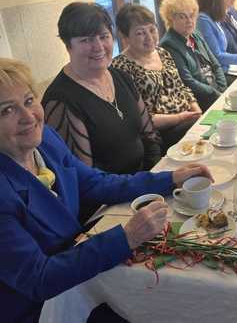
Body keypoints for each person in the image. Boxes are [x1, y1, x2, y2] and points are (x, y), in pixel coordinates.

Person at [0, 57, 214, 322]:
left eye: (29, 100)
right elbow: (39, 278)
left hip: (80, 273)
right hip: (44, 308)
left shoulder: (46, 143)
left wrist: (171, 179)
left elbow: (95, 183)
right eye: (6, 111)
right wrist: (127, 237)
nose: (27, 116)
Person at [43, 2, 162, 175]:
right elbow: (85, 178)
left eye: (104, 36)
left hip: (144, 179)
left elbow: (150, 137)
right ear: (68, 46)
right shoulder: (61, 100)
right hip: (110, 197)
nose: (98, 47)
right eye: (86, 40)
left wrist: (153, 175)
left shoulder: (121, 77)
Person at [111, 4, 202, 152]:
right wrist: (181, 118)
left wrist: (197, 112)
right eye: (140, 33)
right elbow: (138, 118)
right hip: (158, 133)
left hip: (187, 118)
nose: (149, 38)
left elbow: (181, 88)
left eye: (152, 30)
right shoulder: (120, 67)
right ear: (124, 37)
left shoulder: (162, 53)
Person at [159, 0, 227, 111]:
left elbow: (215, 64)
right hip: (200, 98)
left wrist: (223, 87)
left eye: (191, 15)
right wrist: (216, 94)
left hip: (215, 89)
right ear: (171, 19)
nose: (189, 21)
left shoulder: (196, 34)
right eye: (182, 17)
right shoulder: (168, 44)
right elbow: (187, 81)